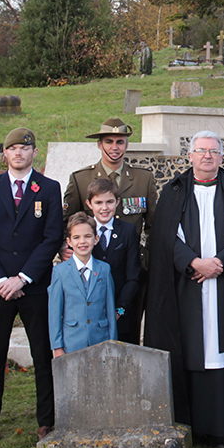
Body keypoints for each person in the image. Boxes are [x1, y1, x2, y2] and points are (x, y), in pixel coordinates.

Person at [144, 130, 224, 447]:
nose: (207, 156)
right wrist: (193, 262)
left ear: (222, 157)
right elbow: (164, 238)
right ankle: (190, 426)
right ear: (190, 156)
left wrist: (220, 261)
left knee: (221, 350)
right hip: (187, 285)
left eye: (213, 152)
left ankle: (221, 429)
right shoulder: (173, 192)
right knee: (191, 349)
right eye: (201, 151)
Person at [0, 128, 64, 448]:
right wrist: (1, 281)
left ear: (35, 153)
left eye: (25, 148)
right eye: (12, 149)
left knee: (42, 355)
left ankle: (45, 421)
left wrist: (22, 278)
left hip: (34, 287)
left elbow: (51, 237)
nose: (18, 153)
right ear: (4, 155)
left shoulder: (48, 188)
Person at [63, 117, 157, 344]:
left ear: (126, 145)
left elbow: (154, 224)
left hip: (131, 272)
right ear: (99, 144)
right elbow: (65, 221)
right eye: (109, 141)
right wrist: (65, 248)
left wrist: (146, 259)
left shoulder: (143, 179)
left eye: (120, 141)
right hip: (92, 267)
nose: (115, 147)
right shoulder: (81, 178)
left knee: (129, 333)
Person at [48, 213, 117, 356]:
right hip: (72, 342)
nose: (82, 242)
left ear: (96, 239)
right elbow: (55, 312)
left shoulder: (104, 269)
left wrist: (112, 342)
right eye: (76, 237)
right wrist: (57, 346)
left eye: (87, 236)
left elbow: (110, 308)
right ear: (69, 242)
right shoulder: (59, 272)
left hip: (101, 340)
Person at [84, 178, 143, 343]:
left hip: (120, 310)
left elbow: (133, 275)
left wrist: (119, 309)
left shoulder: (127, 231)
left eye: (109, 202)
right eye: (98, 202)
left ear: (117, 202)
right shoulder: (83, 232)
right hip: (89, 313)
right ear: (89, 204)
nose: (104, 208)